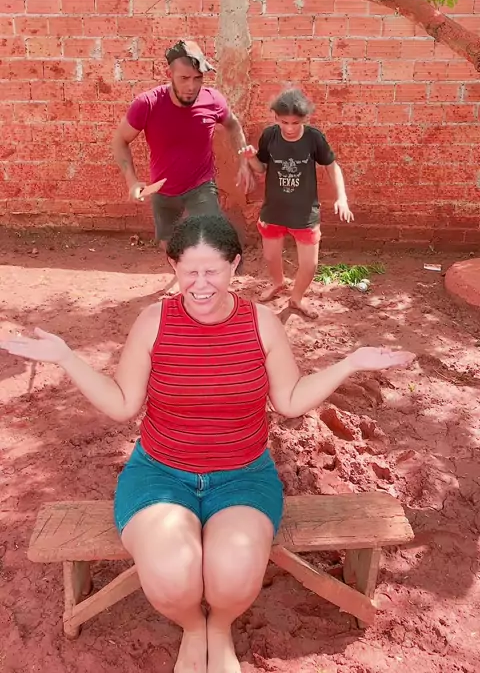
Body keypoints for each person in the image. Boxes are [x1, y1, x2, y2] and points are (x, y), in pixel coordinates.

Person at [0, 215, 415, 673]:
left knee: (233, 576)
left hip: (243, 476)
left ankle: (219, 627)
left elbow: (290, 401)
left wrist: (350, 363)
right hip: (160, 475)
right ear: (173, 267)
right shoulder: (153, 322)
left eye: (212, 271)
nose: (200, 284)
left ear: (234, 265)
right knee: (172, 577)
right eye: (189, 272)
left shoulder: (262, 323)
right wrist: (66, 357)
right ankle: (193, 628)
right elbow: (121, 405)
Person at [112, 39, 255, 247]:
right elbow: (120, 140)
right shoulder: (148, 104)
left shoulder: (212, 100)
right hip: (163, 190)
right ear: (169, 74)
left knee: (212, 242)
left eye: (198, 78)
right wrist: (132, 181)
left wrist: (243, 162)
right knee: (171, 249)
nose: (191, 86)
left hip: (201, 187)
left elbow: (233, 125)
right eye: (184, 78)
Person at [241, 88, 354, 319]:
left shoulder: (314, 138)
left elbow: (332, 166)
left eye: (295, 123)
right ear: (275, 117)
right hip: (274, 210)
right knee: (271, 257)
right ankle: (278, 283)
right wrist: (251, 158)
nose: (290, 128)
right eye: (284, 122)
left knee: (309, 265)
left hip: (304, 213)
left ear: (305, 119)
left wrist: (342, 197)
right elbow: (261, 169)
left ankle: (297, 298)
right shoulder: (270, 135)